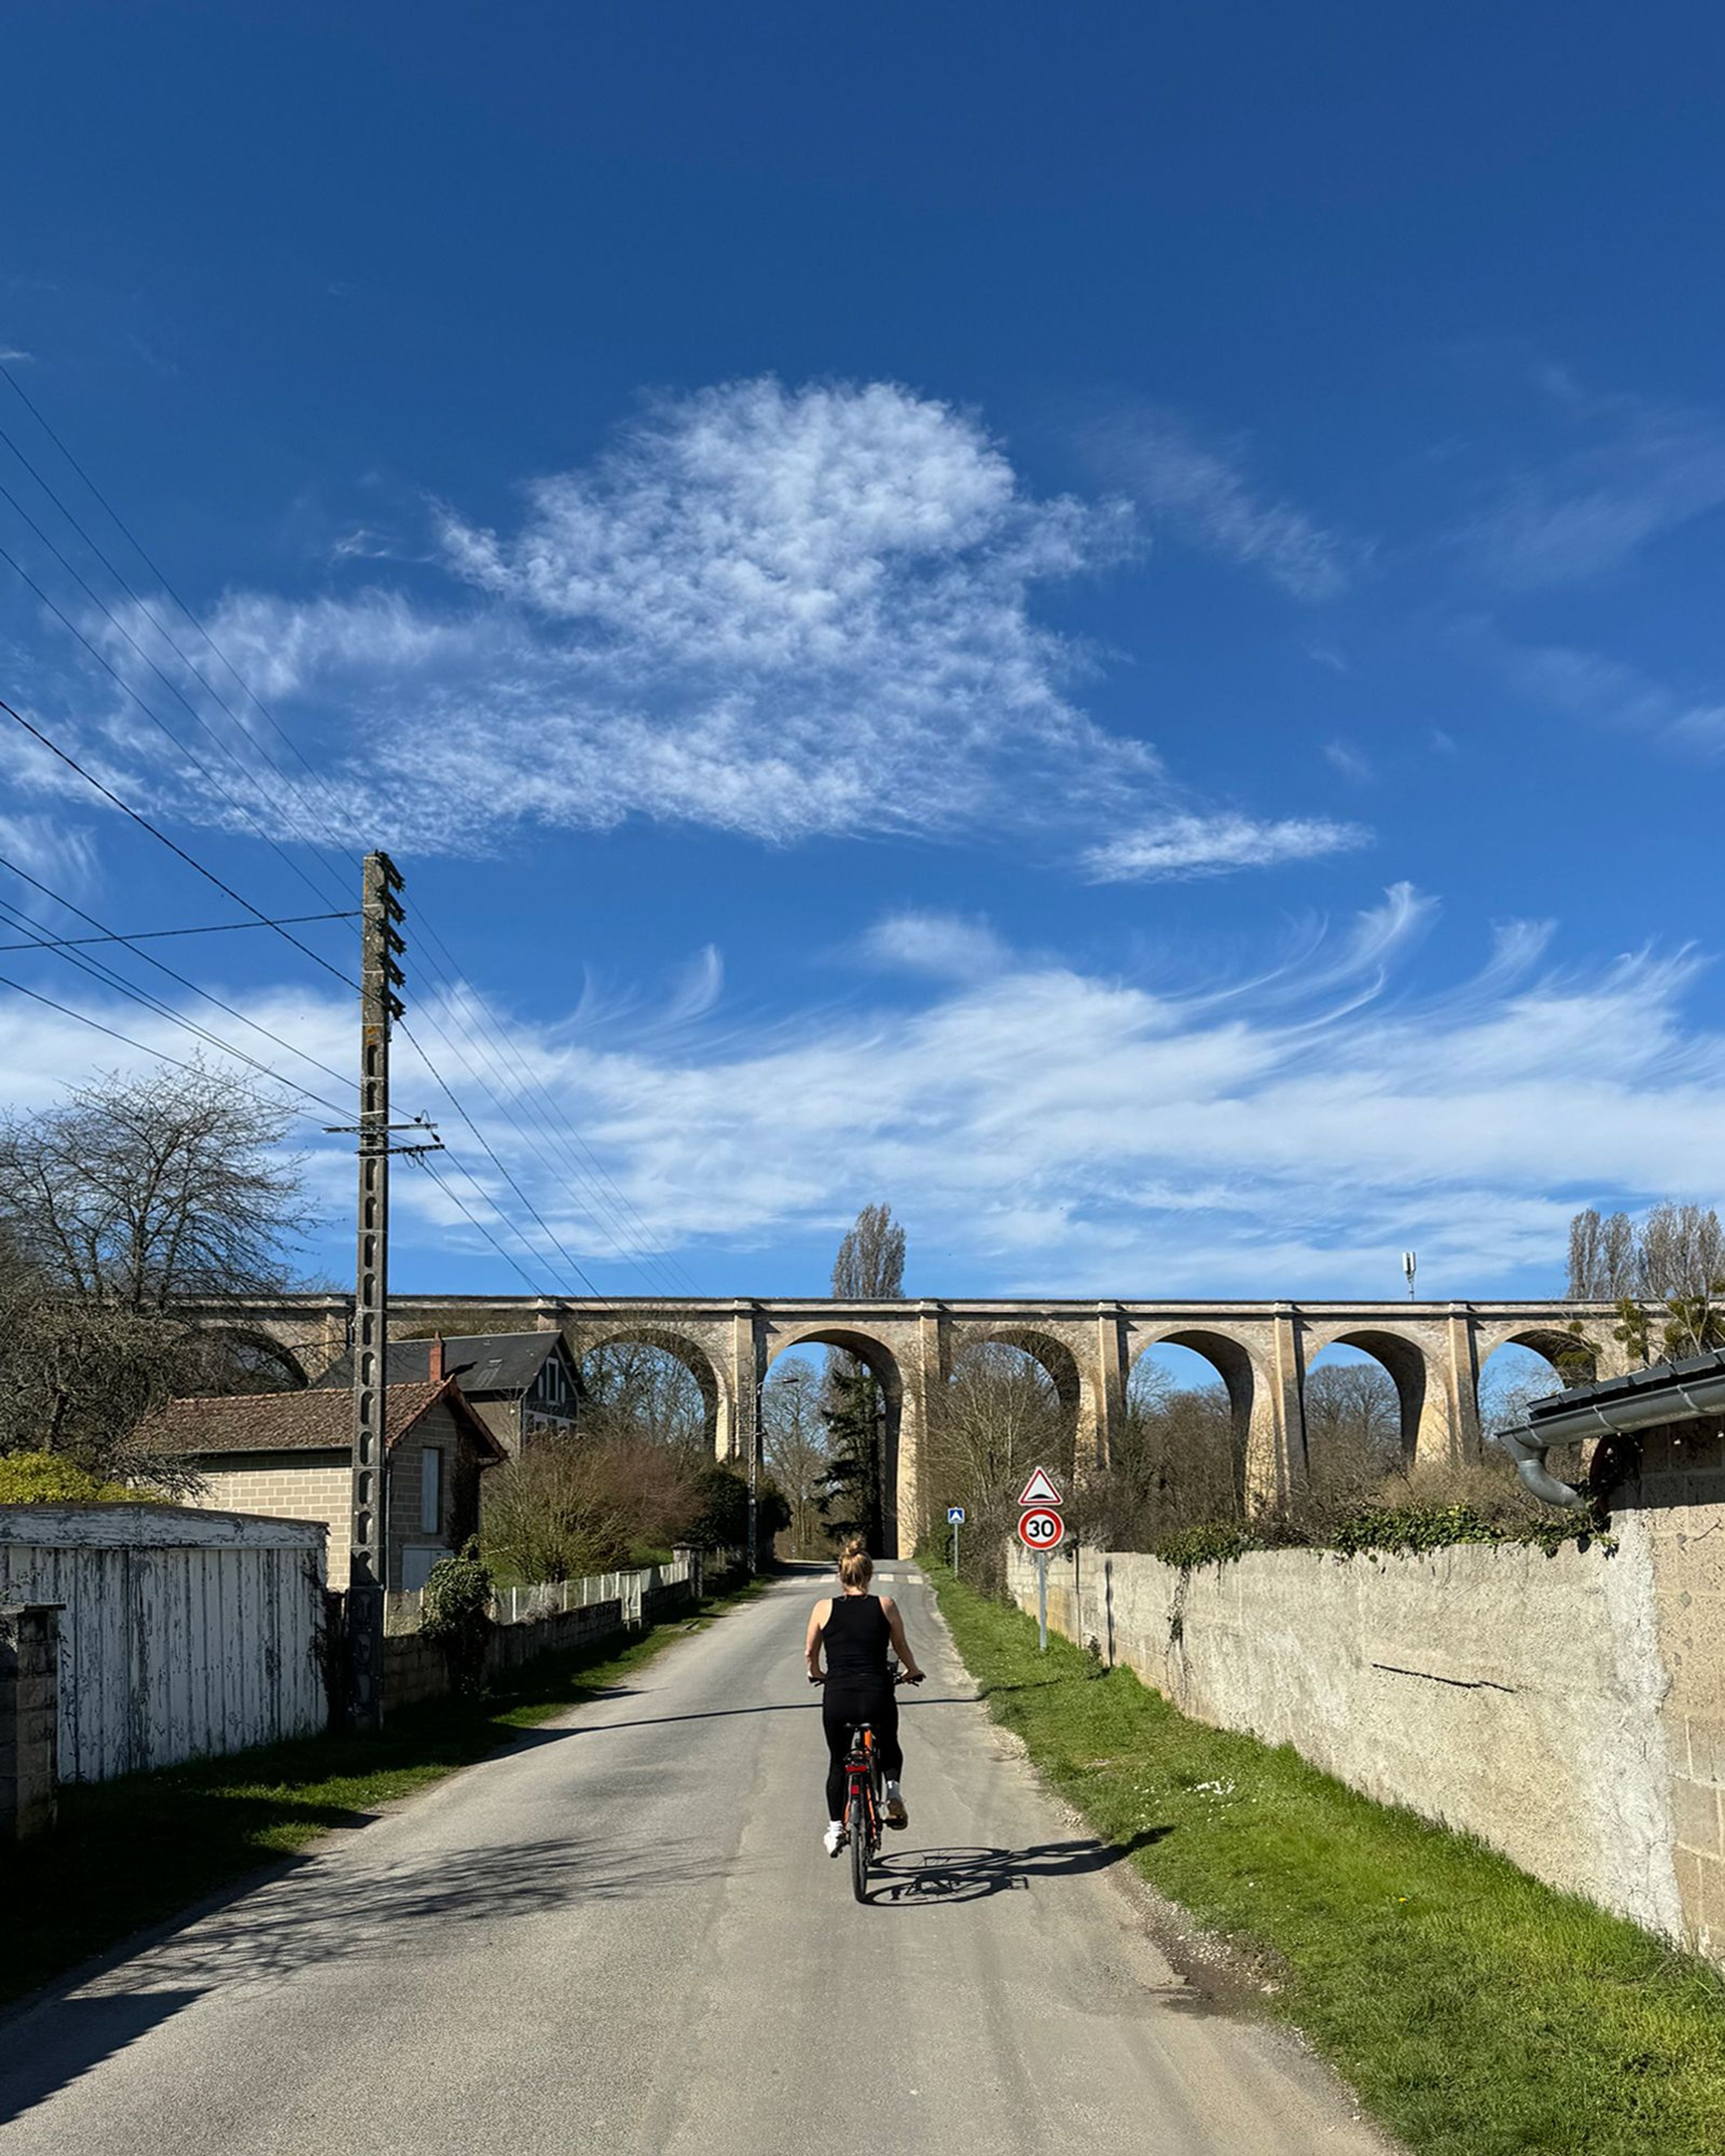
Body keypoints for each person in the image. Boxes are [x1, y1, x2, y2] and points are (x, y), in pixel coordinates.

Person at [805, 1537, 924, 1857]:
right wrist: (912, 1669)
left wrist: (817, 1673)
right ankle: (893, 1793)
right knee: (888, 1742)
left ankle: (834, 1830)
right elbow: (900, 1645)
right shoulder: (885, 1605)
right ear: (869, 1575)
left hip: (838, 1697)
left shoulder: (823, 1608)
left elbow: (810, 1653)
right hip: (877, 1692)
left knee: (837, 1763)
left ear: (841, 1576)